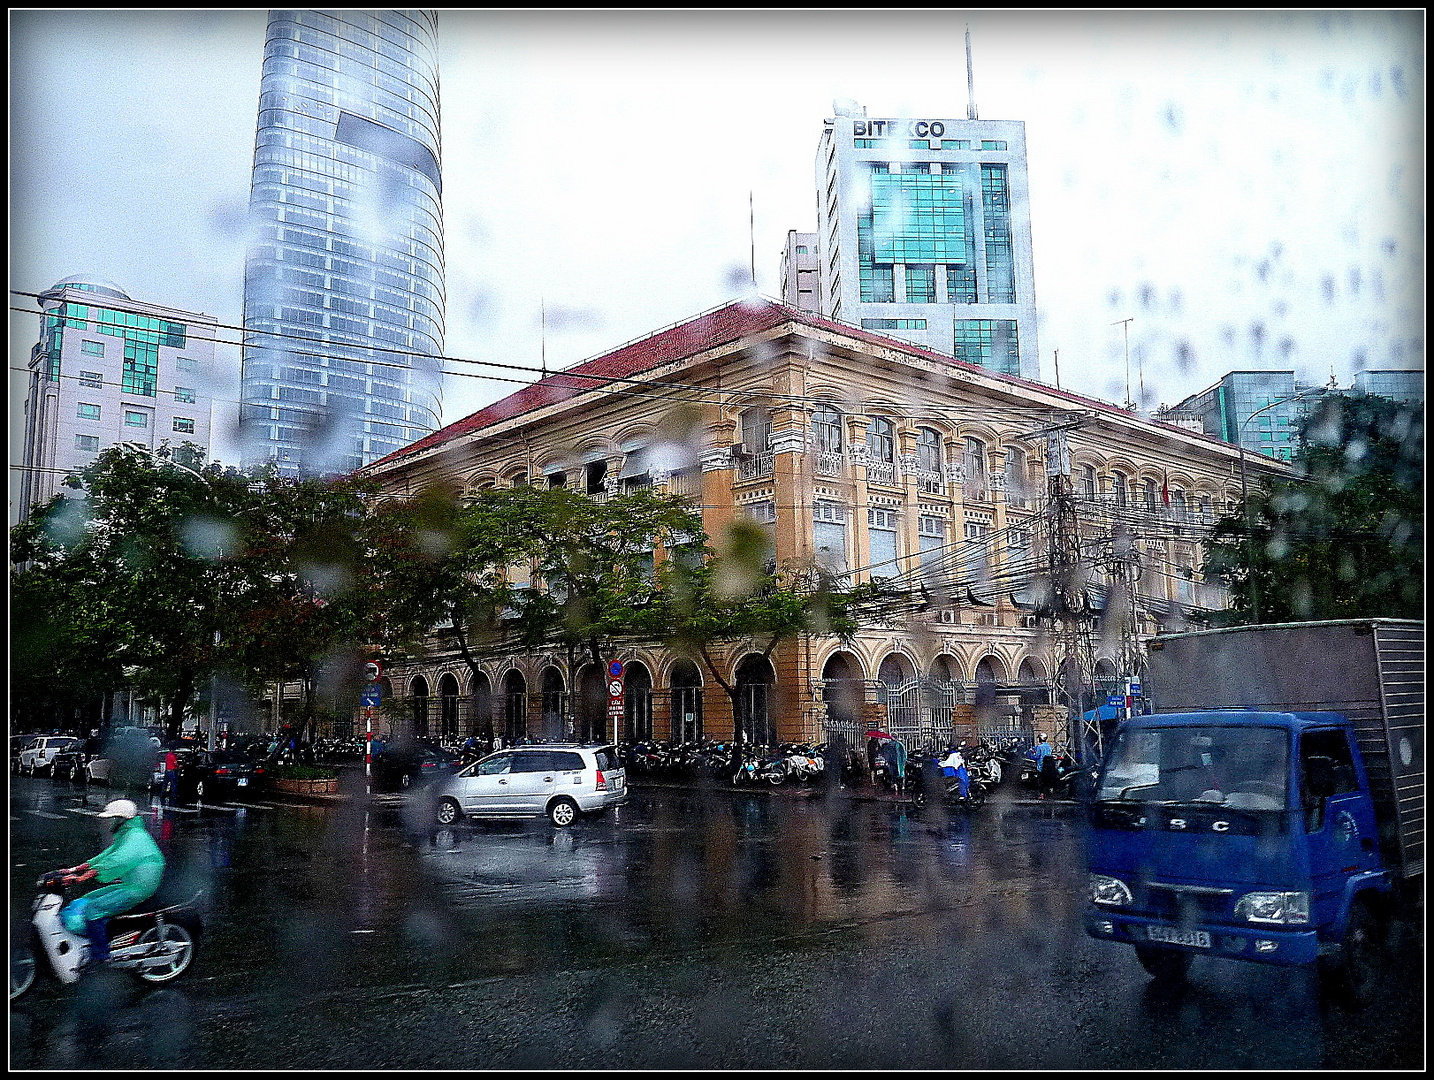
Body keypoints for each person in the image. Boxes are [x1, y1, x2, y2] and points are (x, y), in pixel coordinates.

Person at [57, 799, 166, 969]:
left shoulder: (135, 838)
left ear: (122, 819)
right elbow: (105, 856)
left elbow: (114, 862)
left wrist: (80, 878)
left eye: (114, 818)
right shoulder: (129, 834)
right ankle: (102, 935)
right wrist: (74, 869)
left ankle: (101, 954)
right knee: (89, 898)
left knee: (94, 909)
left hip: (137, 889)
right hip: (130, 884)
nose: (111, 821)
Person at [1031, 732, 1055, 800]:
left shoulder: (1039, 747)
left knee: (1041, 781)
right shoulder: (1049, 746)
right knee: (1048, 779)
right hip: (1049, 766)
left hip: (1041, 766)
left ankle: (1042, 794)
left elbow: (1037, 756)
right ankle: (1050, 791)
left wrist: (1032, 755)